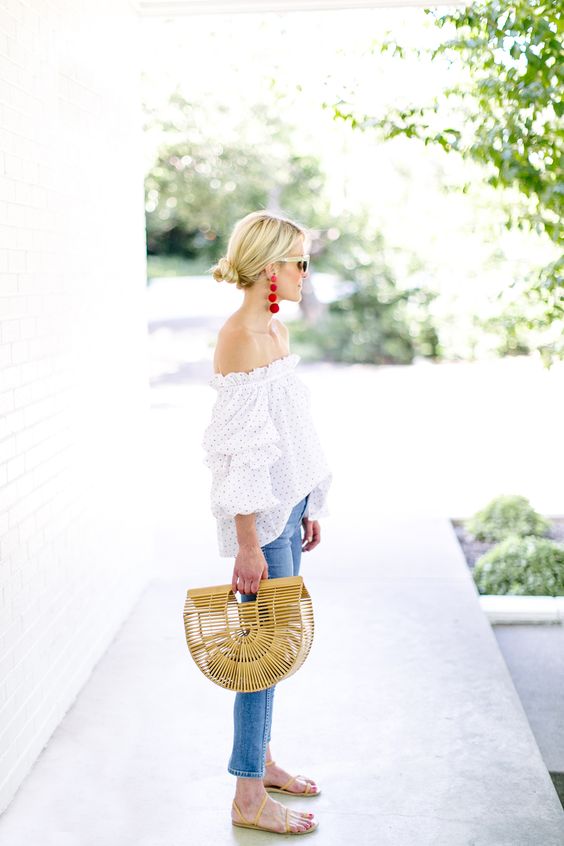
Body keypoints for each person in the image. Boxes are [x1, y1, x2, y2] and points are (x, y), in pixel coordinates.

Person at [201, 210, 333, 835]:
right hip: (264, 527)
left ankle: (264, 759)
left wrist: (309, 499)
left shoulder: (274, 331)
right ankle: (247, 796)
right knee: (259, 656)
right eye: (299, 261)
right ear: (269, 266)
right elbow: (236, 453)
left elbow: (289, 428)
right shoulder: (240, 338)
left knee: (275, 649)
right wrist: (248, 543)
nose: (306, 273)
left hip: (289, 510)